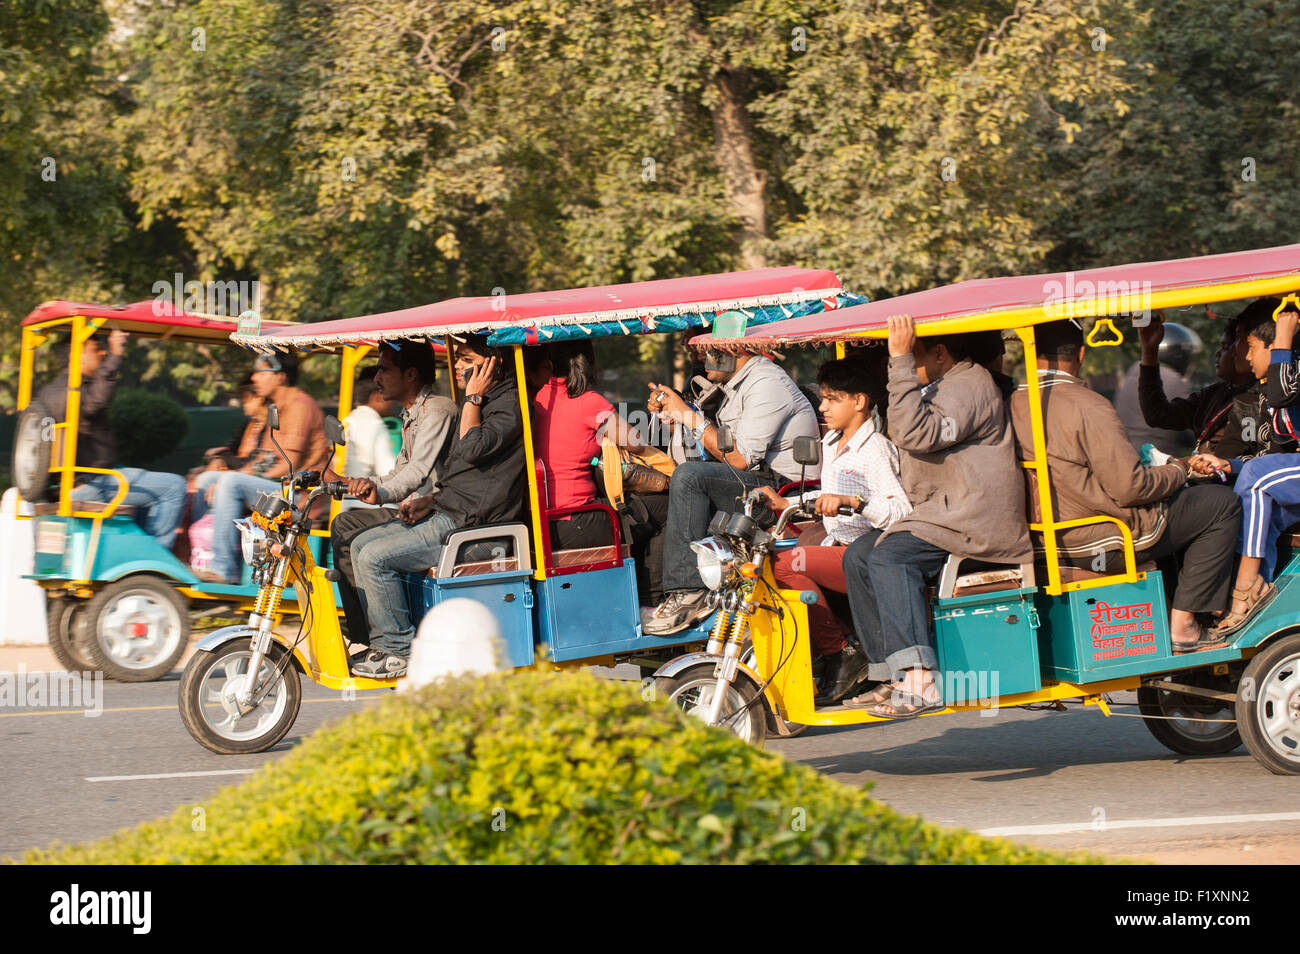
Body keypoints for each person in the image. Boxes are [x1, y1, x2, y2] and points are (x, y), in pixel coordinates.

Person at [1009, 318, 1241, 653]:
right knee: (1219, 503)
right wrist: (1182, 469)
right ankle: (1184, 627)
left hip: (1045, 539)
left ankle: (1173, 609)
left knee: (1183, 507)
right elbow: (1131, 488)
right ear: (1082, 354)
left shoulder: (1012, 403)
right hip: (1102, 538)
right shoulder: (1087, 404)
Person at [841, 316, 1033, 716]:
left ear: (941, 353)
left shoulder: (969, 384)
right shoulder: (943, 385)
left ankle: (920, 678)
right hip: (941, 515)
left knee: (891, 556)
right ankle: (890, 673)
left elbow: (916, 435)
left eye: (915, 356)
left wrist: (899, 361)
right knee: (858, 555)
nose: (903, 365)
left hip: (974, 518)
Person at [349, 336, 525, 678]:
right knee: (358, 544)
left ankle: (397, 650)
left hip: (472, 523)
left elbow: (472, 451)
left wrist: (473, 397)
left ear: (491, 364)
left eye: (465, 359)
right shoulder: (482, 404)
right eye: (457, 359)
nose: (456, 366)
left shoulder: (507, 405)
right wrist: (429, 499)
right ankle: (380, 639)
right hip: (450, 510)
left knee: (374, 557)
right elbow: (460, 474)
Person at [756, 356, 911, 703]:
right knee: (765, 558)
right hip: (833, 543)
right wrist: (785, 503)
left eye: (832, 398)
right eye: (823, 398)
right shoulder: (830, 442)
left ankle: (841, 648)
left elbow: (900, 511)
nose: (822, 407)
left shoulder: (876, 451)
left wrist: (855, 502)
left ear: (859, 401)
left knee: (782, 566)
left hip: (863, 554)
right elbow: (829, 493)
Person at [642, 347, 821, 635]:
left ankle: (689, 591)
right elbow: (715, 443)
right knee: (658, 495)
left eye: (706, 352)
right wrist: (675, 413)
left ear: (733, 351)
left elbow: (738, 458)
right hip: (751, 480)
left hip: (778, 490)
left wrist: (687, 415)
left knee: (688, 478)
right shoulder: (730, 385)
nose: (700, 360)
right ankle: (659, 598)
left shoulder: (766, 383)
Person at [330, 341, 458, 650]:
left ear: (411, 373)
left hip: (437, 514)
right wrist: (354, 484)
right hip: (415, 510)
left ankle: (394, 643)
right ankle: (366, 631)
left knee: (369, 551)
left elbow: (417, 471)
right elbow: (397, 471)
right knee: (344, 527)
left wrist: (383, 492)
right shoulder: (411, 414)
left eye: (384, 370)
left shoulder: (438, 410)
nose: (376, 379)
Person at [36, 329, 187, 548]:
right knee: (174, 487)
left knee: (143, 486)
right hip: (91, 482)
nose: (103, 353)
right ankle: (153, 561)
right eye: (96, 349)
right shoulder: (74, 390)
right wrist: (116, 356)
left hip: (74, 483)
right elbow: (95, 401)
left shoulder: (47, 393)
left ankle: (135, 552)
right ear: (76, 355)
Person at [1202, 305, 1300, 634]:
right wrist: (1225, 464)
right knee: (1263, 509)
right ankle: (1259, 598)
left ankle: (1246, 585)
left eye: (1253, 348)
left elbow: (1281, 392)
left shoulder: (1289, 376)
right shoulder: (1274, 390)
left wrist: (1284, 337)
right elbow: (1274, 456)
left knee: (1258, 478)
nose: (1246, 358)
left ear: (1275, 349)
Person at [191, 352, 329, 584]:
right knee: (207, 480)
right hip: (278, 487)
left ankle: (224, 568)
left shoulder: (299, 407)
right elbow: (263, 460)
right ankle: (203, 555)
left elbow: (287, 465)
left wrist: (233, 478)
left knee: (229, 483)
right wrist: (230, 475)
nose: (254, 378)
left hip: (298, 497)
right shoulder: (278, 406)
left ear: (280, 377)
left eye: (262, 372)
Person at [1137, 302, 1282, 475]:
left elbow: (1228, 456)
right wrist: (1149, 353)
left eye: (1227, 346)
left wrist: (1177, 467)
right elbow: (1158, 415)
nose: (1219, 353)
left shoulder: (1263, 397)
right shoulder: (1217, 393)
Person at [1114, 322, 1202, 453]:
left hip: (1123, 455)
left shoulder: (1134, 370)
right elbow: (1189, 433)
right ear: (1179, 355)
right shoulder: (1173, 380)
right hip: (1153, 461)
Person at [343, 372, 400, 480]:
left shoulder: (351, 418)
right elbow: (387, 470)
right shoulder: (375, 424)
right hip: (361, 491)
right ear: (377, 397)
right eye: (391, 395)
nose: (395, 402)